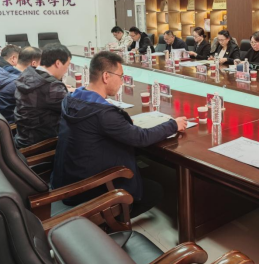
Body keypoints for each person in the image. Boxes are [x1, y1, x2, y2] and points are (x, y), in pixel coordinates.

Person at [51, 51, 187, 216]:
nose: (122, 81)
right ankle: (112, 219)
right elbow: (141, 138)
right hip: (87, 190)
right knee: (155, 191)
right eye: (121, 76)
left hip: (68, 180)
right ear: (106, 76)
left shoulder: (71, 98)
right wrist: (173, 125)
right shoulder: (103, 114)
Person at [14, 44, 72, 148]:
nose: (66, 70)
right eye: (67, 66)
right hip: (40, 145)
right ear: (58, 63)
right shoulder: (51, 86)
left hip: (24, 136)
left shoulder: (29, 74)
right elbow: (74, 110)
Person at [0, 47, 42, 123]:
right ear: (34, 64)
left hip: (1, 119)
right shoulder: (21, 83)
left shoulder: (4, 72)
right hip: (13, 124)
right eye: (41, 64)